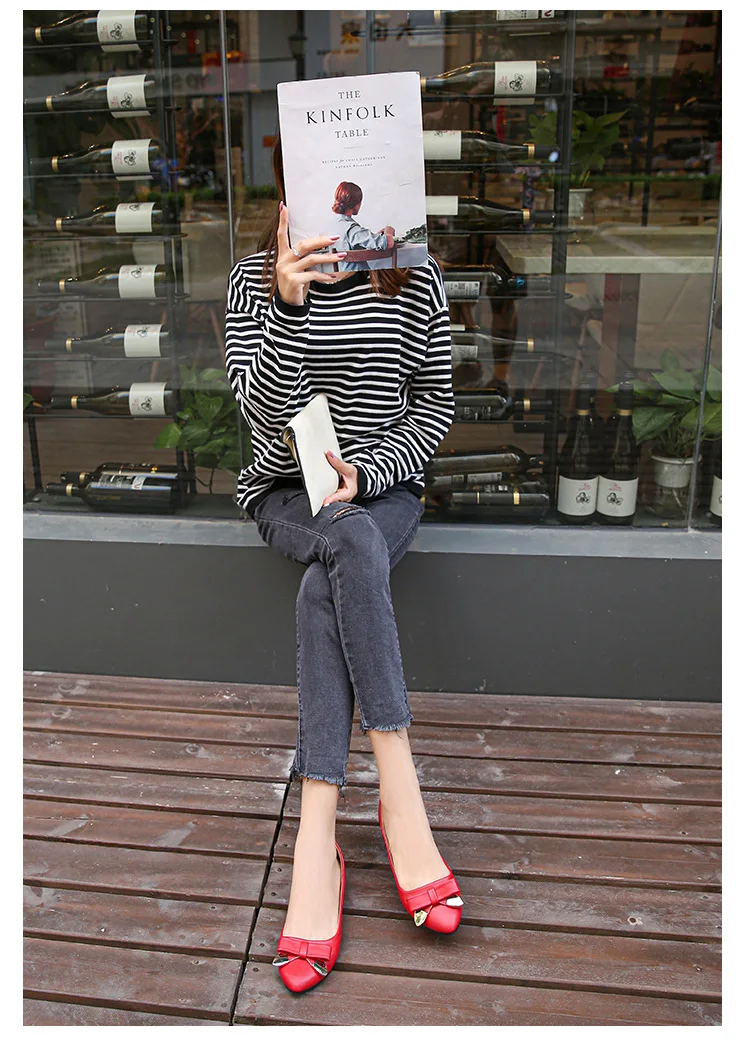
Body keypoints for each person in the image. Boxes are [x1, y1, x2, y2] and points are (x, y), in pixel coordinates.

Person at [224, 138, 462, 994]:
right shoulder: (256, 279)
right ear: (291, 190)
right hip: (289, 491)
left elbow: (433, 408)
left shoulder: (415, 275)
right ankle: (401, 797)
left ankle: (317, 831)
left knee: (338, 564)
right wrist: (288, 305)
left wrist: (372, 470)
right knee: (345, 543)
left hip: (381, 489)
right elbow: (259, 417)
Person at [329, 180, 396, 270]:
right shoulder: (351, 229)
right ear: (356, 204)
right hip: (360, 276)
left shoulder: (334, 225)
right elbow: (388, 243)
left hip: (342, 274)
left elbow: (351, 243)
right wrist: (389, 230)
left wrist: (374, 236)